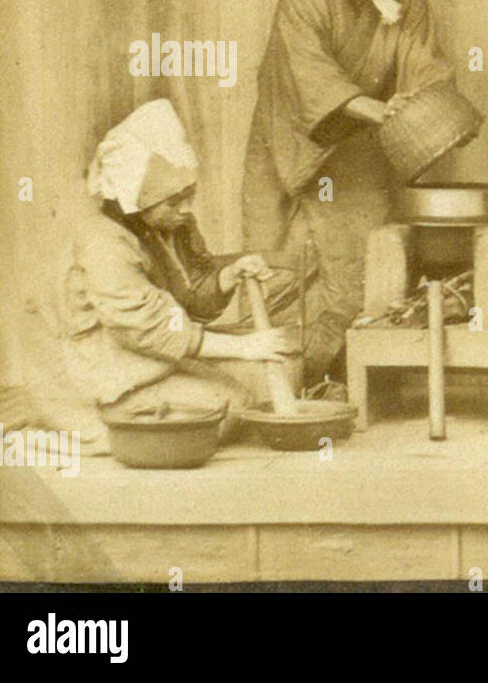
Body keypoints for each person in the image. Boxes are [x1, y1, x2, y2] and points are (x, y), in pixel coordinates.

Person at [243, 0, 455, 385]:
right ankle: (264, 384)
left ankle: (330, 381)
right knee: (268, 260)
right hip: (285, 137)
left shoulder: (408, 1)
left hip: (357, 147)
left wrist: (416, 102)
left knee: (355, 271)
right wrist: (376, 109)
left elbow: (423, 65)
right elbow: (307, 73)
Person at [38, 99, 299, 452]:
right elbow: (149, 329)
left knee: (263, 384)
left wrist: (230, 275)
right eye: (174, 201)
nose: (186, 208)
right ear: (136, 199)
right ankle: (93, 429)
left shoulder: (170, 226)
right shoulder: (102, 240)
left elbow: (193, 294)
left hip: (147, 358)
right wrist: (245, 346)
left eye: (188, 195)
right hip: (98, 370)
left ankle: (155, 415)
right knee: (227, 405)